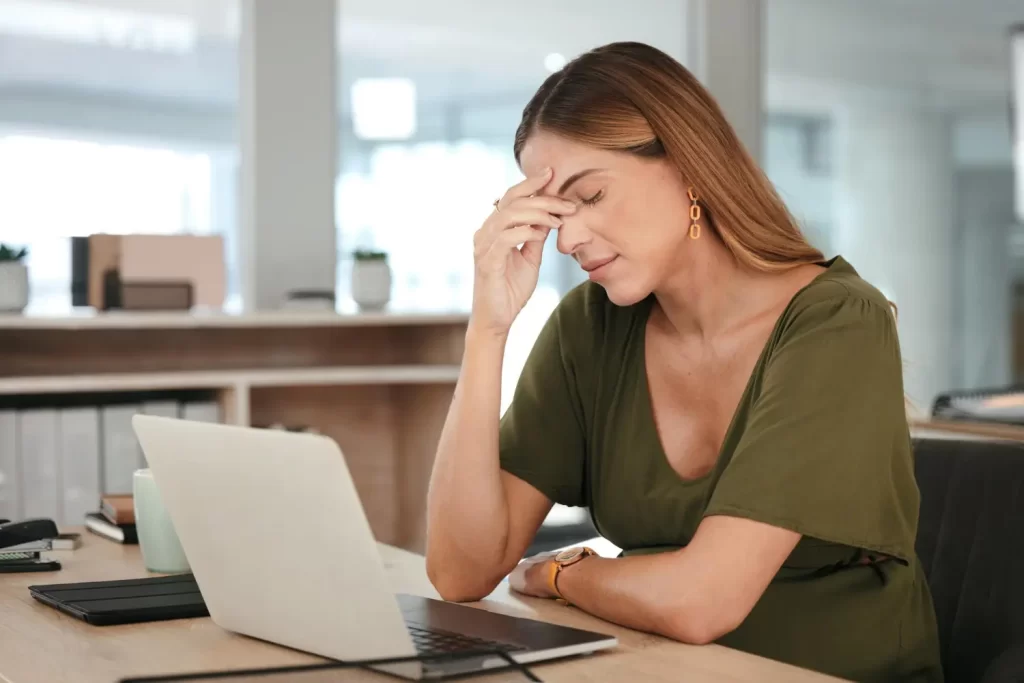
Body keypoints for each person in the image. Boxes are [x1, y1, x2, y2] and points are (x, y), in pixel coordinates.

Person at [424, 41, 943, 683]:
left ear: (688, 166)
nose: (570, 239)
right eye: (556, 215)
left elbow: (701, 602)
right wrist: (488, 329)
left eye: (591, 195)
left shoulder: (836, 322)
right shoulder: (590, 327)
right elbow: (460, 570)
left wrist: (566, 573)